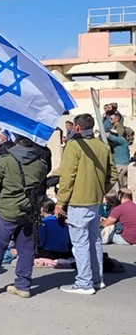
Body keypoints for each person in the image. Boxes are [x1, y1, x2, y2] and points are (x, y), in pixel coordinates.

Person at [0, 136, 48, 299]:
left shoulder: (4, 161)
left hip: (5, 211)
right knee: (26, 250)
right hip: (28, 212)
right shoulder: (41, 164)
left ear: (17, 144)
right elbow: (40, 184)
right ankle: (23, 286)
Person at [56, 113, 118, 295]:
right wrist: (100, 190)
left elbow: (68, 176)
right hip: (95, 201)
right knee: (94, 241)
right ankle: (97, 279)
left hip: (78, 201)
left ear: (76, 128)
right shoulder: (102, 146)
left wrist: (61, 201)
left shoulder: (73, 146)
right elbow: (112, 175)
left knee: (80, 244)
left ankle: (84, 282)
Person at [107, 114, 130, 189]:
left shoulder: (121, 140)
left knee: (118, 184)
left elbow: (111, 137)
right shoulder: (120, 142)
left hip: (120, 165)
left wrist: (106, 134)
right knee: (123, 184)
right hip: (124, 165)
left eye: (111, 118)